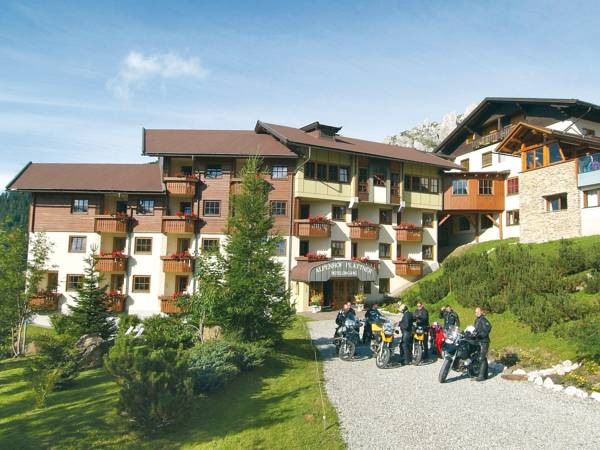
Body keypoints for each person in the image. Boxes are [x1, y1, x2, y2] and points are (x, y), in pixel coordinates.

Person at [473, 306, 492, 381]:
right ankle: (485, 374)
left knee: (482, 358)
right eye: (476, 312)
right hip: (479, 341)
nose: (477, 313)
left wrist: (481, 335)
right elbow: (475, 330)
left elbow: (488, 328)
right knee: (482, 357)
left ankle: (481, 376)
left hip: (484, 341)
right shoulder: (477, 320)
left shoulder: (484, 320)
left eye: (478, 311)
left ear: (481, 312)